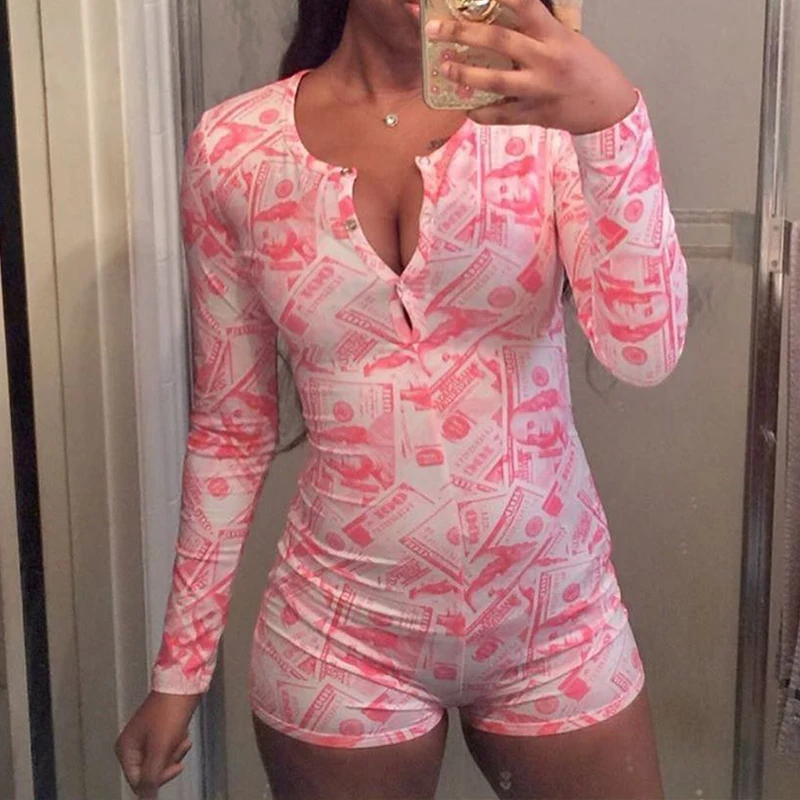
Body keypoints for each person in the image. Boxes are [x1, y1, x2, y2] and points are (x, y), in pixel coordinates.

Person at [115, 0, 688, 797]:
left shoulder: (545, 118)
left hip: (559, 622)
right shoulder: (235, 149)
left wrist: (614, 120)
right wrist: (181, 670)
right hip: (338, 637)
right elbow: (232, 428)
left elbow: (644, 353)